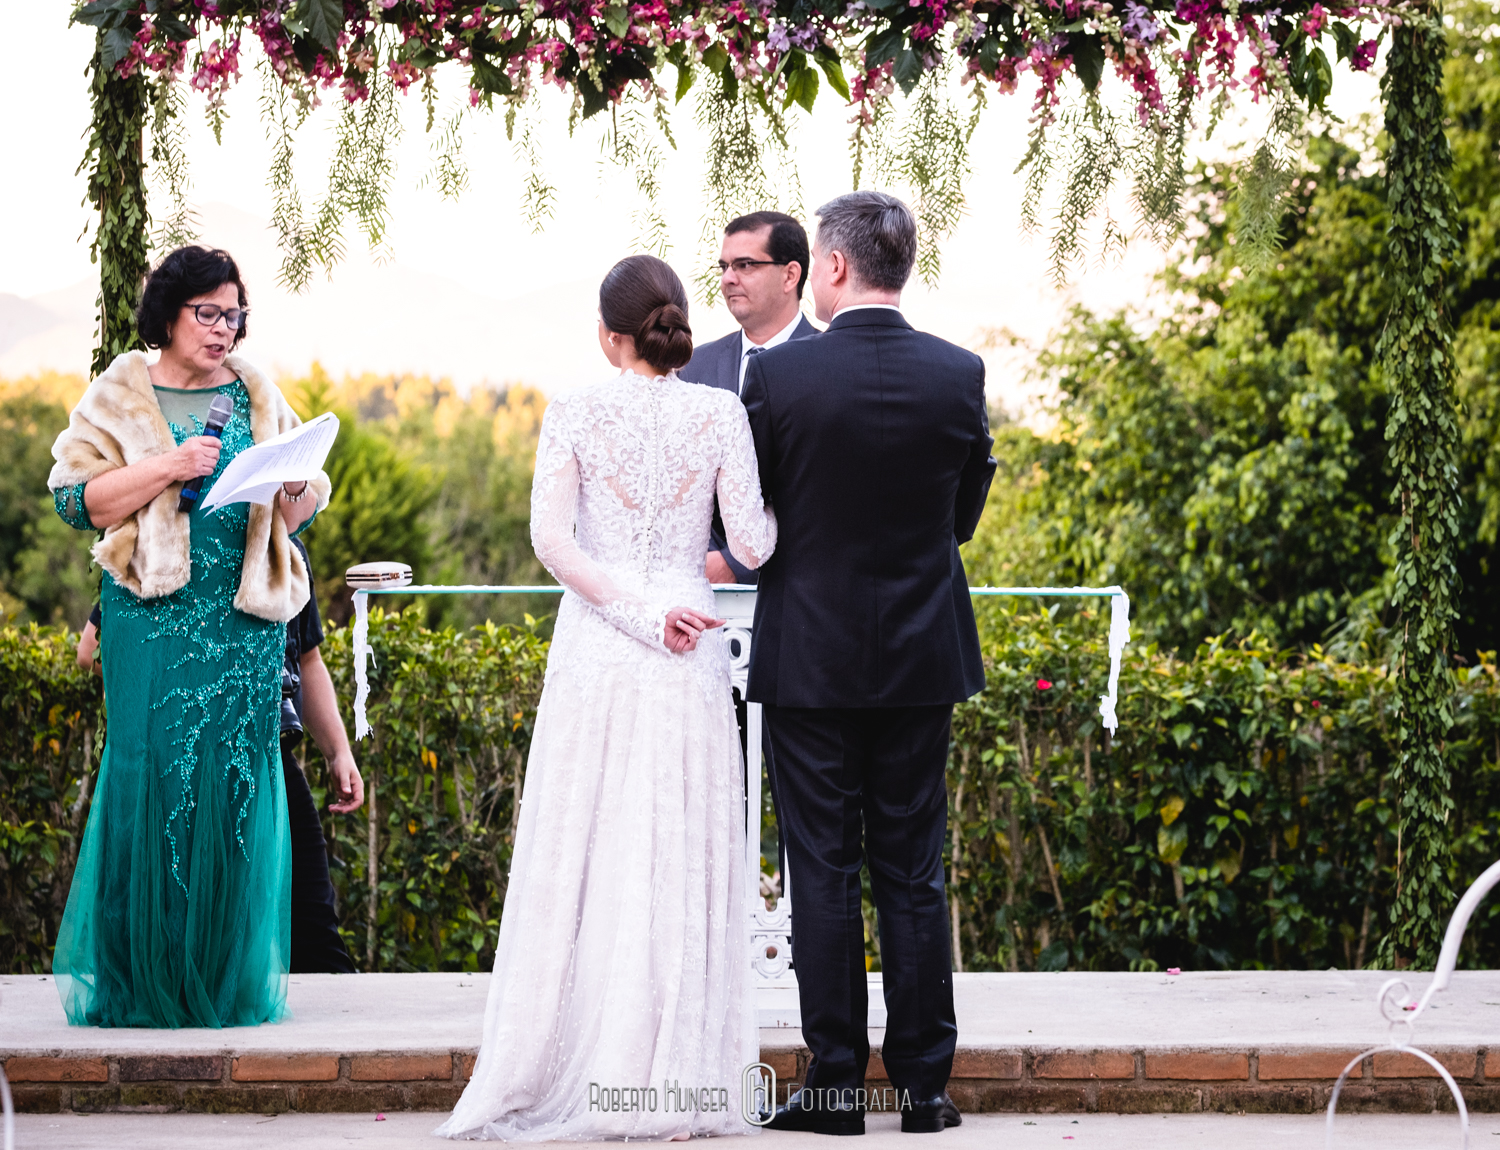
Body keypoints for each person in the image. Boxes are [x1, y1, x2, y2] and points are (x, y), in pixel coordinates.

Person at [435, 254, 777, 1141]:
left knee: (588, 848)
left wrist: (631, 609)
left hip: (600, 644)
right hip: (689, 642)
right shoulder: (721, 410)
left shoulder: (575, 409)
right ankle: (671, 1075)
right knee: (675, 845)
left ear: (607, 333)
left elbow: (552, 543)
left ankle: (559, 1062)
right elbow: (753, 542)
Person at [742, 192, 996, 1135]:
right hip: (924, 653)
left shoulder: (779, 382)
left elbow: (753, 522)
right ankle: (927, 1091)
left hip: (810, 653)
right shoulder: (958, 373)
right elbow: (962, 513)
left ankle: (838, 1088)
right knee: (913, 870)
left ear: (835, 268)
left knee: (822, 866)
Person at [47, 245, 330, 1028]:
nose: (223, 328)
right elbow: (77, 502)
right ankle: (142, 985)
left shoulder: (256, 389)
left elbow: (303, 501)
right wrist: (169, 465)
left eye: (233, 314)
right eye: (207, 312)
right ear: (168, 313)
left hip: (241, 626)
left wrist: (296, 487)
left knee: (233, 789)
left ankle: (220, 979)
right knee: (152, 781)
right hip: (150, 619)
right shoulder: (119, 391)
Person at [678, 211, 818, 587]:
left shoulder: (831, 364)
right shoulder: (692, 367)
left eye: (745, 265)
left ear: (791, 275)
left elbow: (825, 490)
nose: (727, 279)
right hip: (700, 595)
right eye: (724, 266)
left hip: (801, 590)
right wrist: (701, 560)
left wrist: (735, 565)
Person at [281, 537, 364, 973]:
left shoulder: (291, 550)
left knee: (314, 928)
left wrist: (338, 751)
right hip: (193, 760)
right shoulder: (176, 531)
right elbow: (92, 648)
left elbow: (307, 659)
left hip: (273, 755)